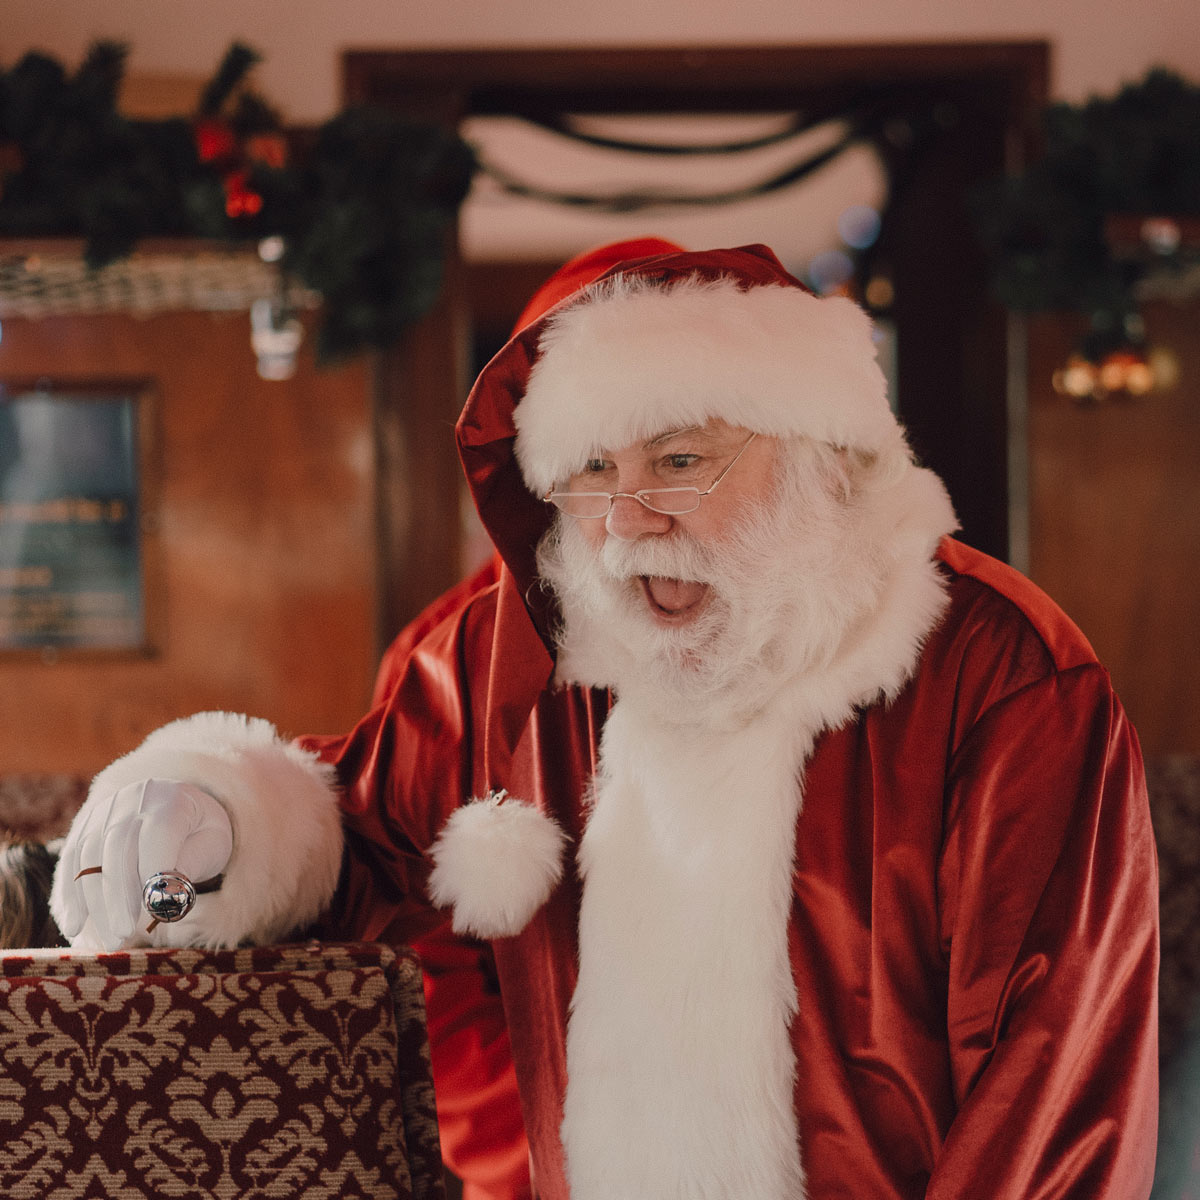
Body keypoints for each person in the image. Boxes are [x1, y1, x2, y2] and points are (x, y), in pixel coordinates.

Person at [50, 241, 1159, 1199]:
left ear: (817, 459)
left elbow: (1053, 1098)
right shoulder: (515, 656)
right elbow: (354, 826)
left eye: (681, 459)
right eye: (591, 472)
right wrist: (217, 812)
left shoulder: (1003, 676)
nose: (627, 518)